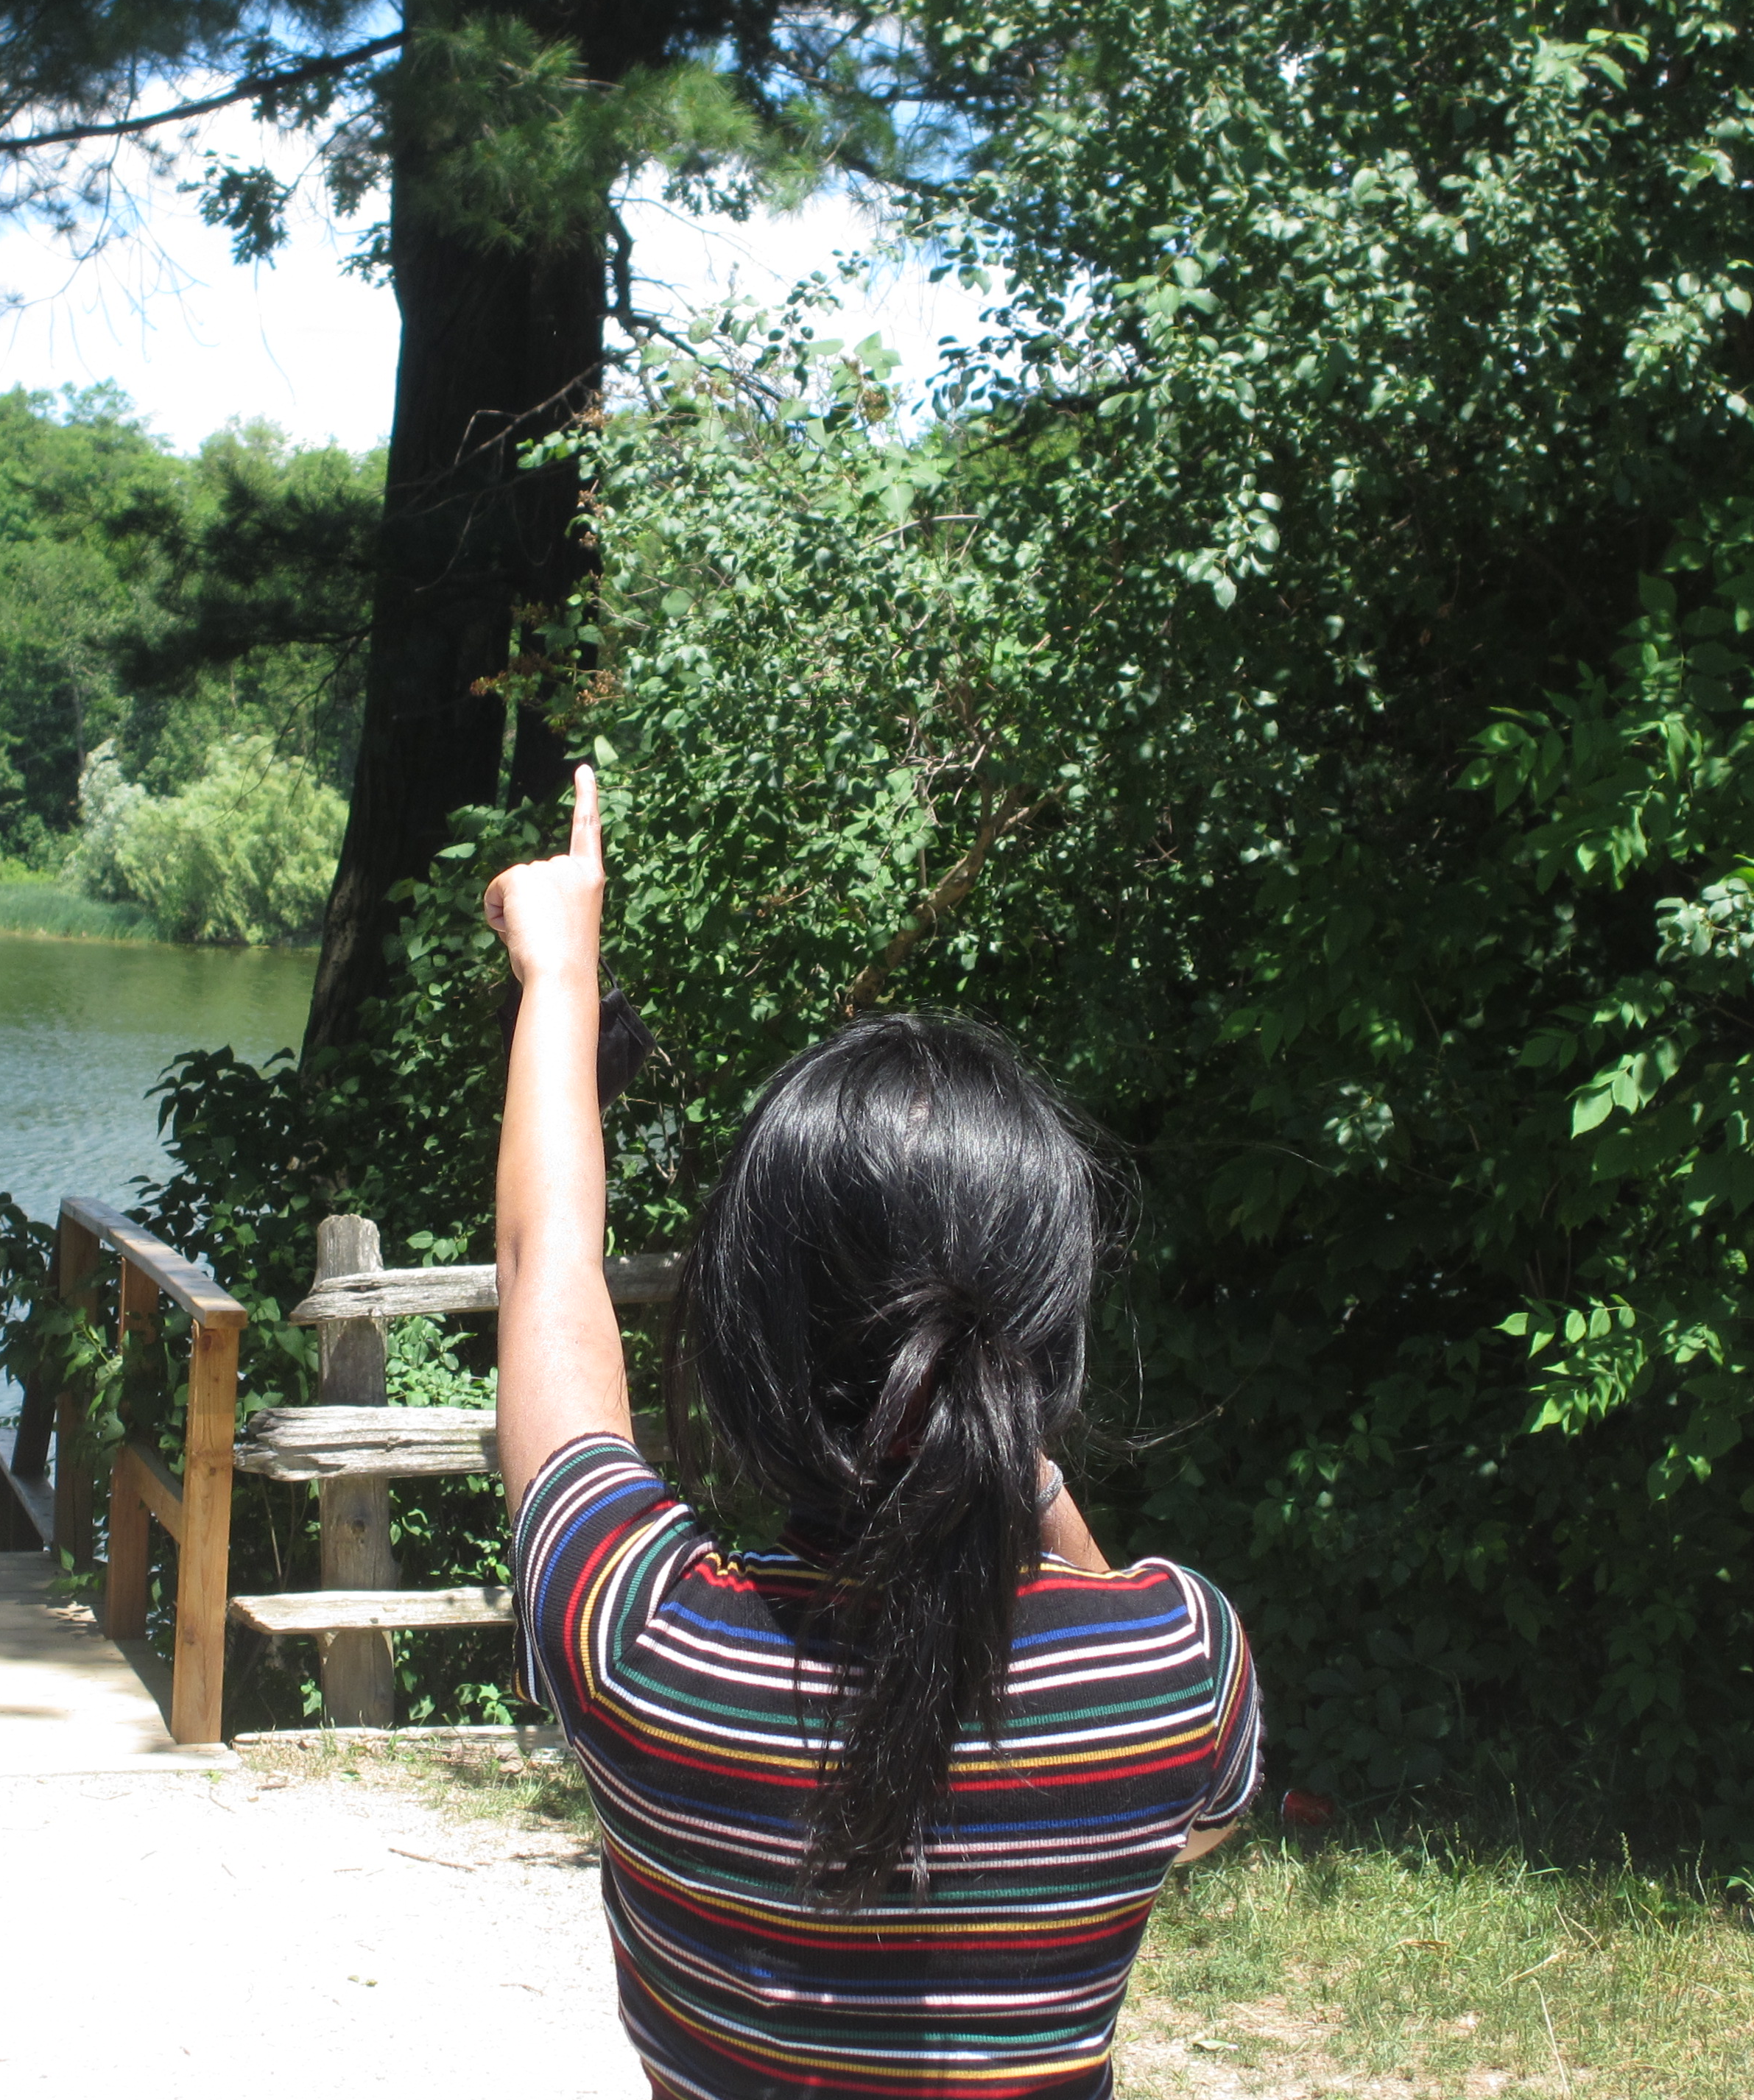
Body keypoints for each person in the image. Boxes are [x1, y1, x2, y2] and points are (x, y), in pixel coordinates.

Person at [486, 766, 1261, 2100]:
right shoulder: (1179, 1672)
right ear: (1044, 1336)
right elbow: (1192, 1812)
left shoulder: (639, 1644)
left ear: (744, 1338)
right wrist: (1001, 1457)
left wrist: (562, 973)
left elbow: (543, 1266)